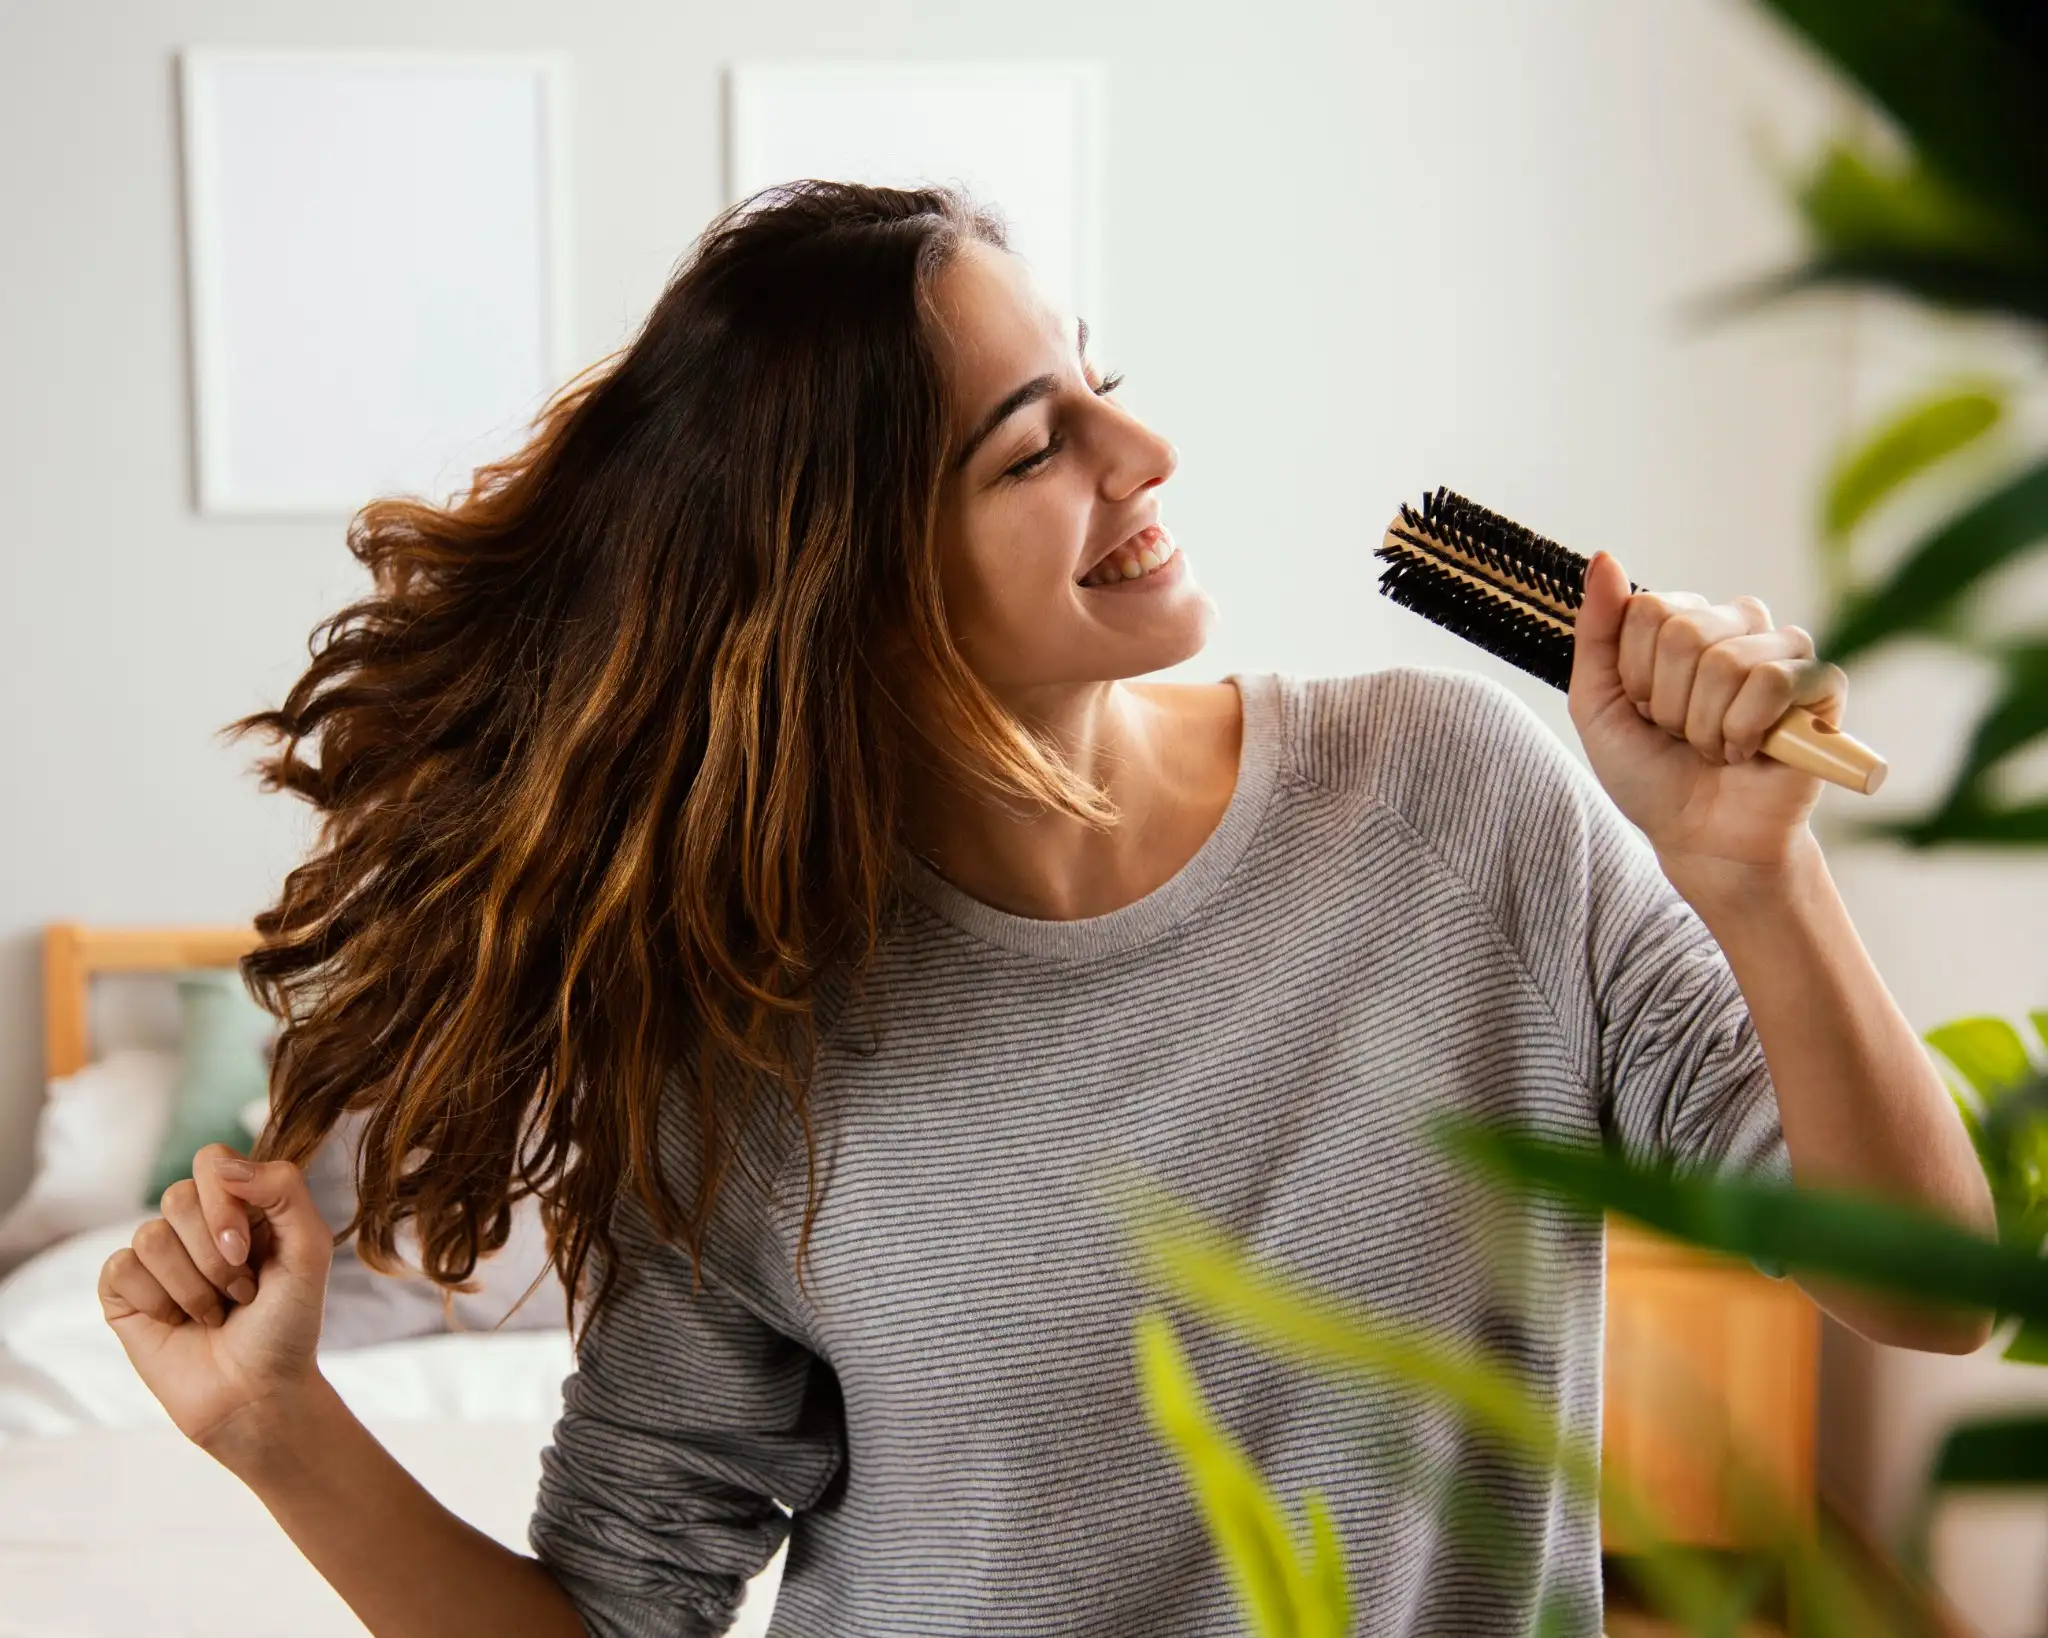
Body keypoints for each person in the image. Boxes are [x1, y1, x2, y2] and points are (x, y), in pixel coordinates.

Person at [97, 179, 1994, 1638]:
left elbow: (1924, 1287)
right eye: (1032, 448)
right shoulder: (757, 1048)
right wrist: (277, 1428)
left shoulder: (1460, 798)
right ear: (843, 591)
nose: (1143, 459)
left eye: (1101, 382)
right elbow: (611, 1619)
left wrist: (1753, 873)